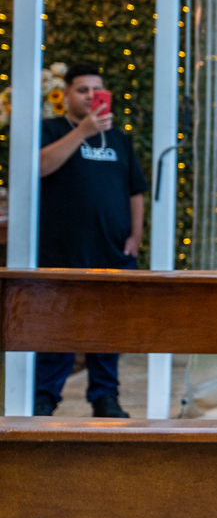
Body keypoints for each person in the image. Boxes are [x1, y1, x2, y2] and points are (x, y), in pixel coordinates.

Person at [34, 63, 147, 418]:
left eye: (96, 90)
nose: (89, 96)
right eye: (82, 89)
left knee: (108, 329)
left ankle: (105, 397)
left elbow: (135, 190)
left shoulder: (118, 138)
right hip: (61, 249)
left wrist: (136, 235)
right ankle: (44, 397)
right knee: (56, 328)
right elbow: (39, 167)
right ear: (65, 93)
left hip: (113, 250)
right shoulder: (50, 129)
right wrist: (81, 132)